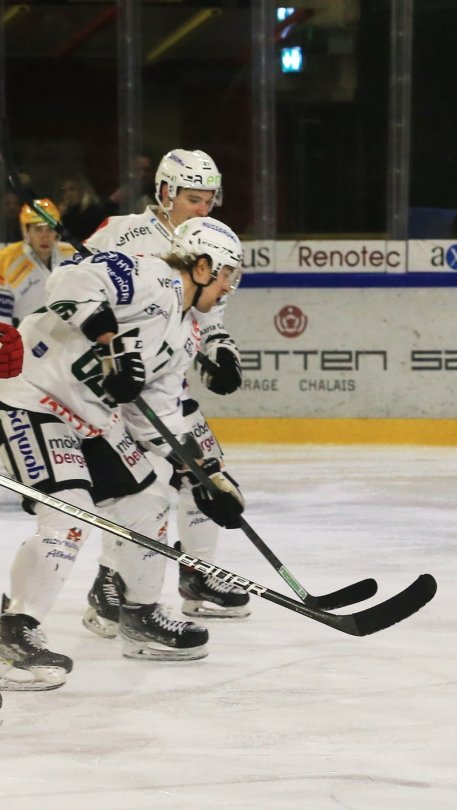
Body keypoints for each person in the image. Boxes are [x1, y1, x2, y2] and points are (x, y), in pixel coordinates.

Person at [0, 217, 245, 690]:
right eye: (227, 273)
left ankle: (140, 614)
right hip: (31, 394)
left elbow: (159, 417)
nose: (230, 287)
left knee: (149, 501)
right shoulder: (147, 274)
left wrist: (206, 475)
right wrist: (109, 341)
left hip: (90, 418)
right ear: (200, 265)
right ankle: (16, 628)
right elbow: (68, 281)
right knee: (69, 509)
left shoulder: (185, 335)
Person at [81, 148, 249, 633]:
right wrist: (106, 349)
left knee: (205, 468)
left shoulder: (208, 242)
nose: (202, 209)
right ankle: (110, 580)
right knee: (139, 488)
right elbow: (75, 293)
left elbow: (210, 319)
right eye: (192, 199)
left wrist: (222, 354)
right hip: (110, 389)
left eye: (208, 200)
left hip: (162, 383)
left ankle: (198, 575)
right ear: (164, 193)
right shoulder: (122, 233)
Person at [0, 199, 78, 327]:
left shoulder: (72, 254)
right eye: (38, 229)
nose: (45, 236)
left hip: (69, 338)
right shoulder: (5, 260)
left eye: (50, 229)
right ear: (27, 231)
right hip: (26, 340)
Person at [57, 174, 107, 242]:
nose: (68, 194)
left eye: (72, 189)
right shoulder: (68, 214)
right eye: (65, 191)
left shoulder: (93, 212)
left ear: (82, 190)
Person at [105, 151, 155, 216]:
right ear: (129, 172)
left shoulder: (160, 196)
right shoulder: (118, 194)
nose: (143, 174)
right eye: (137, 169)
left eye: (147, 170)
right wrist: (112, 202)